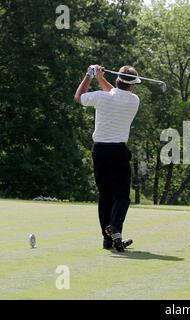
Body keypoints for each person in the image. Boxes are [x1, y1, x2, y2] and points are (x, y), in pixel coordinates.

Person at [74, 65, 140, 252]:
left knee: (105, 196)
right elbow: (115, 93)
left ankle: (108, 239)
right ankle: (115, 227)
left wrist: (90, 75)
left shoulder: (101, 97)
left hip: (100, 150)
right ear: (132, 85)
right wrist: (100, 77)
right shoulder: (134, 100)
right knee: (121, 196)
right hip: (118, 151)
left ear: (118, 80)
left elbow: (78, 97)